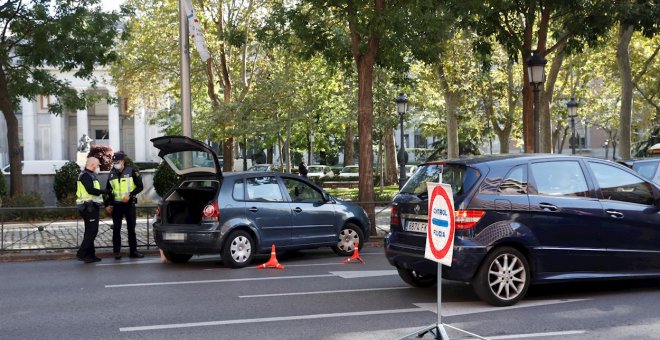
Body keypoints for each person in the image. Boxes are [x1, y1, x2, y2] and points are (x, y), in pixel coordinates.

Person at [105, 151, 144, 259]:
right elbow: (108, 190)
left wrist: (130, 195)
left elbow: (140, 186)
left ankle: (133, 251)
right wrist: (107, 204)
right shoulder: (111, 173)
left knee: (131, 229)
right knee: (116, 229)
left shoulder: (131, 171)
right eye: (114, 162)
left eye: (116, 162)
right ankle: (116, 252)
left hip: (129, 204)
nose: (115, 164)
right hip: (116, 206)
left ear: (122, 161)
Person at [76, 157, 110, 263]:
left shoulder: (91, 175)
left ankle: (90, 255)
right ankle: (81, 253)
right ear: (92, 164)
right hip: (88, 207)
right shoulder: (85, 176)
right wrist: (104, 191)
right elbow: (90, 190)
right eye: (98, 164)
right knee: (92, 231)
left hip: (92, 206)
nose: (98, 166)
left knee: (90, 231)